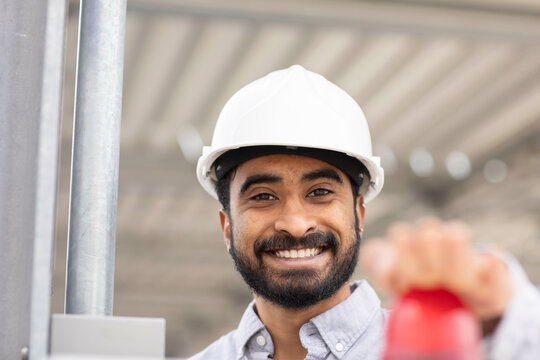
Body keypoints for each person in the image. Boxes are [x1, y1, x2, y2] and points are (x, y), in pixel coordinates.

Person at [189, 65, 540, 360]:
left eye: (321, 192)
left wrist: (506, 319)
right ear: (226, 226)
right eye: (263, 196)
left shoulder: (450, 350)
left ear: (358, 214)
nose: (295, 223)